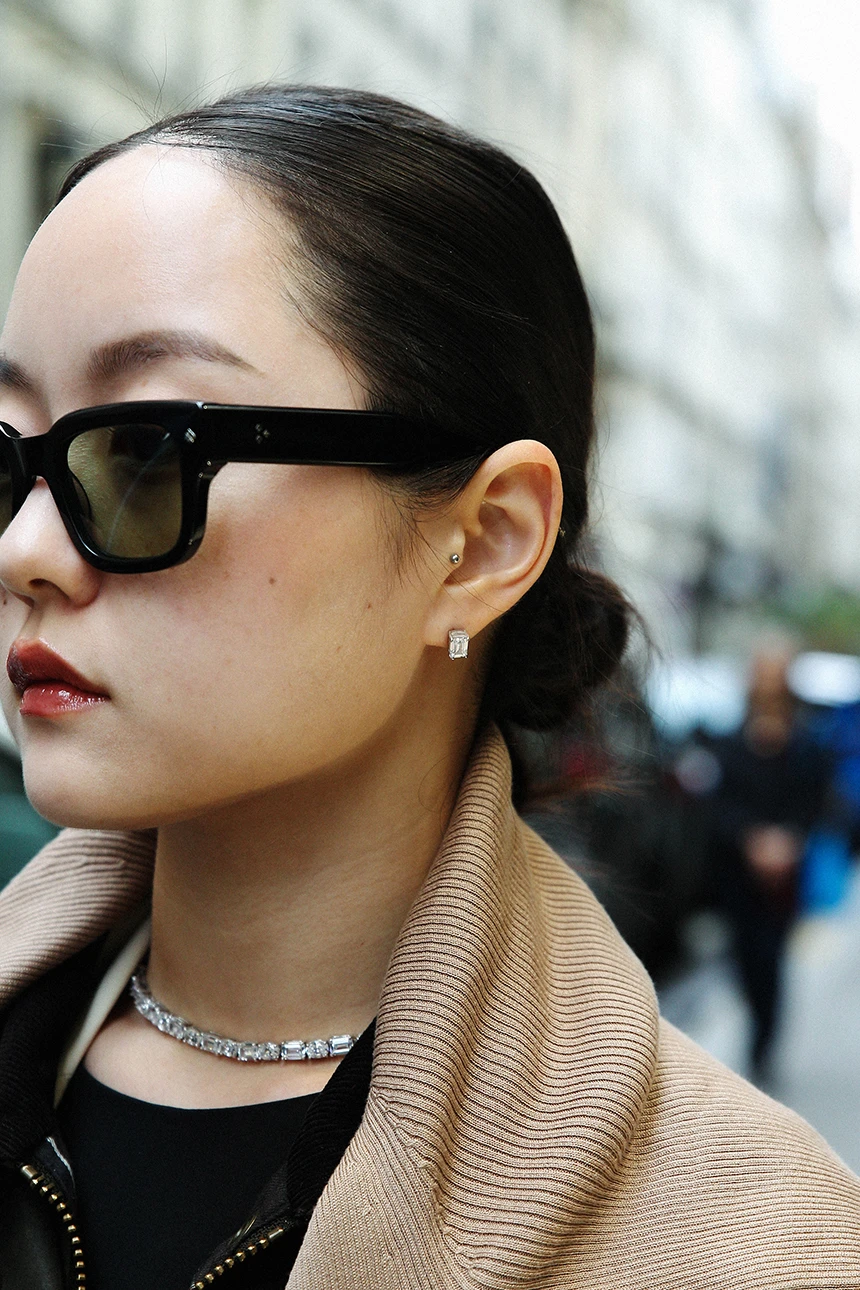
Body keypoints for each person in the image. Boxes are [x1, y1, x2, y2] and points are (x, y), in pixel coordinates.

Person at [0, 86, 857, 1290]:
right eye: (9, 462)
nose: (25, 551)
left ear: (482, 544)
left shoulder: (749, 1240)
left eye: (147, 451)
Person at [705, 646, 832, 1084]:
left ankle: (764, 1048)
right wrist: (751, 840)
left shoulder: (806, 743)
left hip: (785, 876)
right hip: (738, 872)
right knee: (742, 958)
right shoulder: (730, 740)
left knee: (773, 957)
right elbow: (718, 805)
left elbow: (816, 801)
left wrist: (788, 842)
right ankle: (756, 1033)